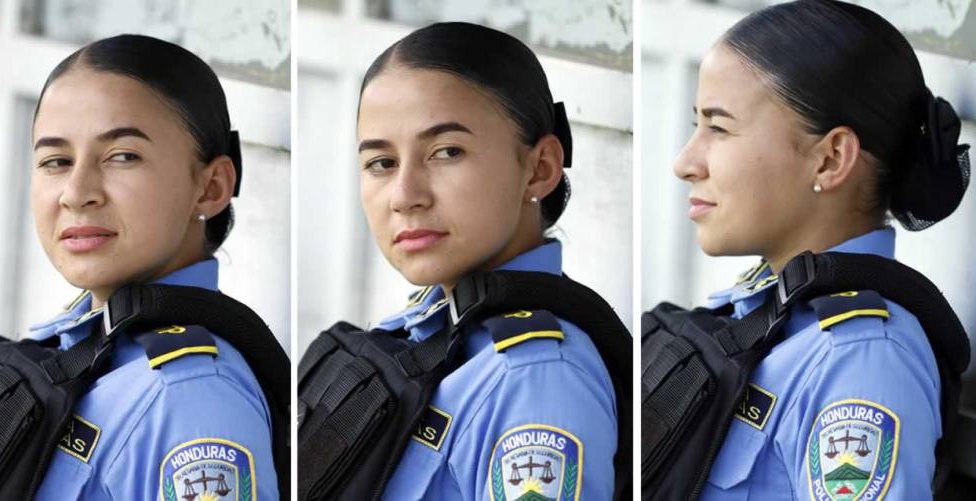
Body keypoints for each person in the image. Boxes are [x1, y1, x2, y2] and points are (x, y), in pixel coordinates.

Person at [671, 0, 970, 499]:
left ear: (830, 159)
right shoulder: (764, 317)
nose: (685, 162)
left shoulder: (862, 361)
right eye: (695, 125)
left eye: (718, 128)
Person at [354, 22, 620, 500]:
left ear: (540, 169)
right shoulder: (431, 328)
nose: (405, 195)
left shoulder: (533, 380)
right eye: (382, 163)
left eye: (447, 151)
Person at [27, 34, 278, 499]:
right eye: (56, 161)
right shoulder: (79, 342)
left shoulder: (190, 398)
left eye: (123, 156)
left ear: (210, 188)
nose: (76, 191)